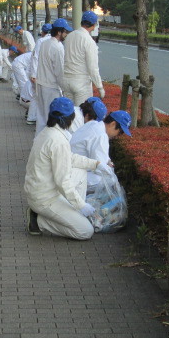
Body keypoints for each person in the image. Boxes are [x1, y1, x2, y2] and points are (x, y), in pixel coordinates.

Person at [23, 97, 109, 240]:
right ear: (70, 118)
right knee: (85, 231)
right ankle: (39, 221)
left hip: (39, 191)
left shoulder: (48, 132)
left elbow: (70, 158)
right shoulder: (58, 141)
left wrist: (95, 164)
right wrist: (81, 205)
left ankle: (70, 214)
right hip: (45, 199)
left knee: (81, 171)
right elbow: (62, 182)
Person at [70, 109, 132, 193]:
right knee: (106, 179)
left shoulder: (94, 124)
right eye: (120, 132)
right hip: (71, 171)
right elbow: (100, 167)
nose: (118, 135)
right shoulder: (101, 136)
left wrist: (108, 162)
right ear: (113, 124)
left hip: (70, 164)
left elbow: (100, 158)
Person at [34, 18, 73, 134]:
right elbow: (59, 71)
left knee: (41, 117)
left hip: (41, 83)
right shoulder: (58, 47)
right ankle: (45, 145)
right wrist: (65, 88)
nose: (66, 35)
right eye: (65, 32)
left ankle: (38, 142)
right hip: (50, 87)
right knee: (50, 119)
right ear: (59, 32)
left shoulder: (45, 43)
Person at [62, 11, 105, 105]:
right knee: (81, 114)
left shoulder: (69, 36)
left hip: (66, 80)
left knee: (69, 113)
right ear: (94, 25)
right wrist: (100, 87)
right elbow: (93, 68)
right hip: (81, 82)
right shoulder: (89, 41)